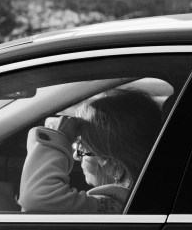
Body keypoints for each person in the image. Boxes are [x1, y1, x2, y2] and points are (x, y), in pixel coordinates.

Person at [18, 88, 163, 214]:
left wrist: (55, 139)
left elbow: (37, 200)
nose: (75, 156)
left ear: (115, 166)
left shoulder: (117, 207)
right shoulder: (151, 198)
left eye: (82, 149)